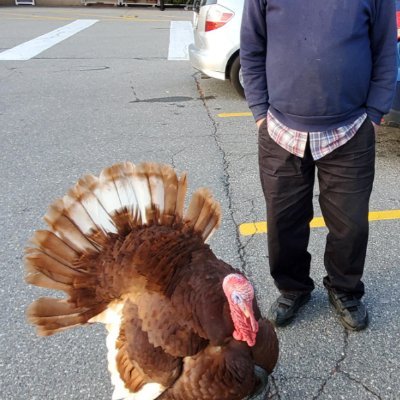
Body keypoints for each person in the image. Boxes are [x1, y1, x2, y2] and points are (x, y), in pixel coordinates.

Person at [240, 0, 398, 331]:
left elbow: (385, 51)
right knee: (284, 222)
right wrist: (259, 113)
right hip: (280, 129)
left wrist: (375, 113)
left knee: (350, 225)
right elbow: (252, 48)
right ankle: (293, 288)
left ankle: (344, 290)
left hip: (351, 129)